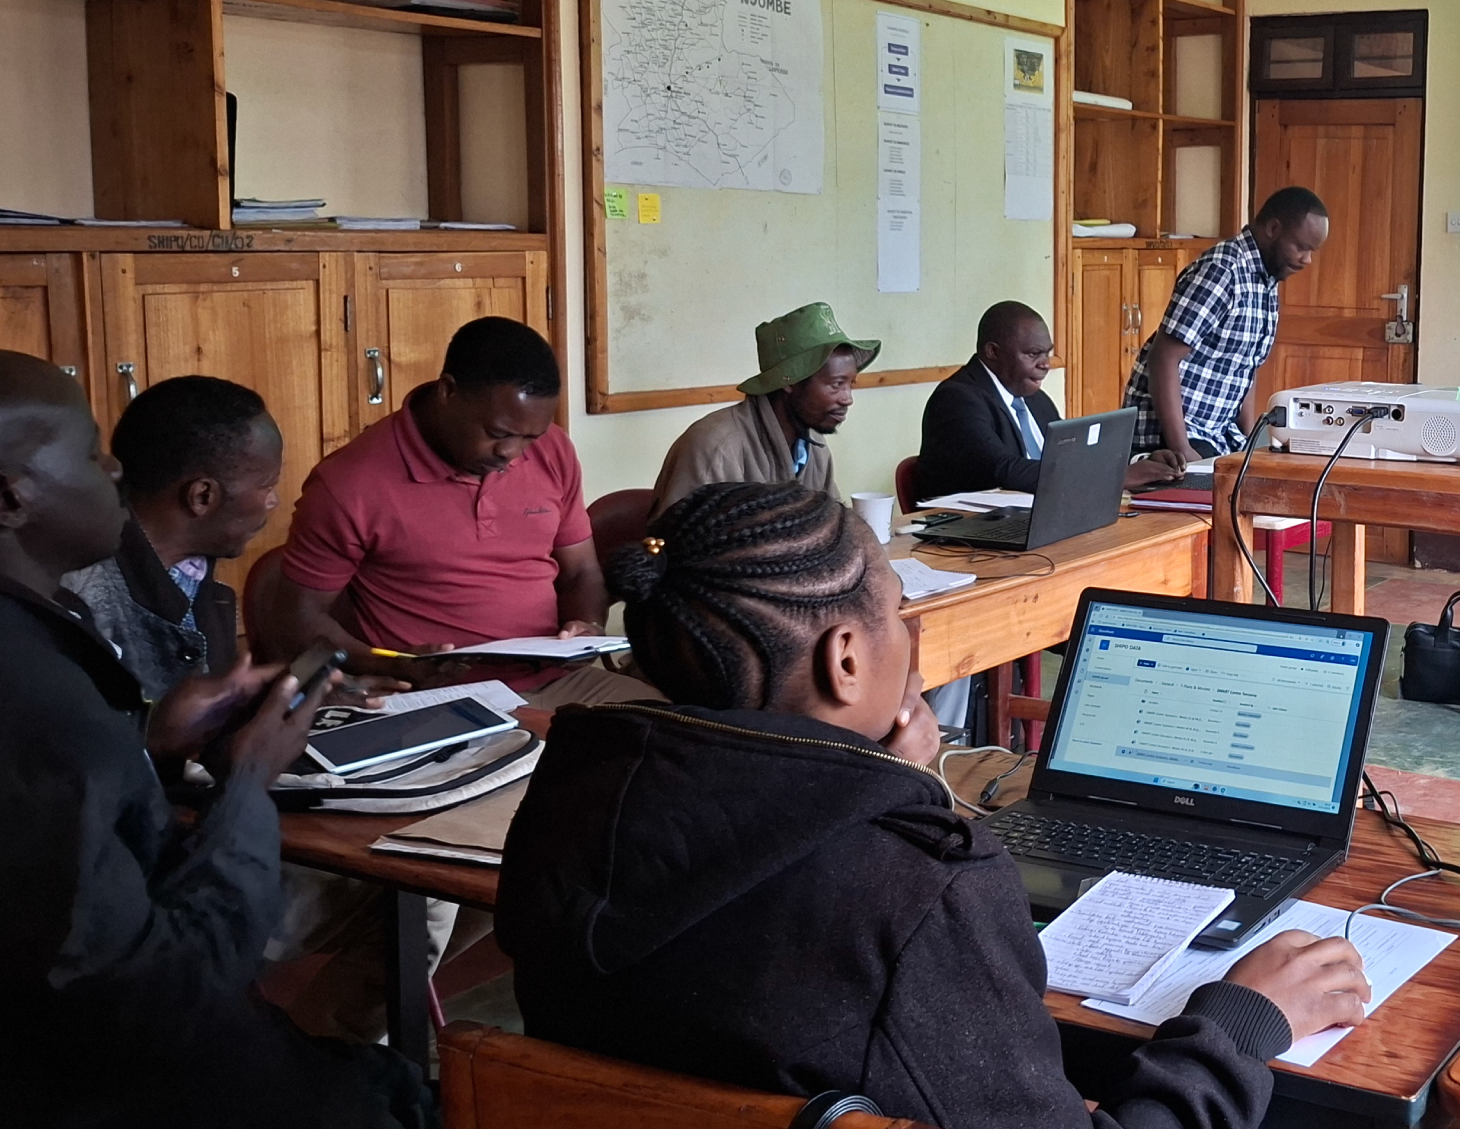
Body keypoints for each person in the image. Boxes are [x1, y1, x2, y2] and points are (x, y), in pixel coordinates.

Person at [500, 483, 1371, 1127]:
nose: (911, 635)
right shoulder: (922, 889)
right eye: (898, 610)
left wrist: (883, 782)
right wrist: (1237, 1024)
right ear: (847, 660)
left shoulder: (568, 805)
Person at [0, 348, 426, 1128]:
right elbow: (153, 1003)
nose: (115, 470)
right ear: (4, 497)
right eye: (89, 453)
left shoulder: (16, 632)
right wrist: (248, 785)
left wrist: (151, 740)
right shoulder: (20, 694)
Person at [265, 315, 609, 675]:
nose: (511, 453)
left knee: (649, 708)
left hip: (556, 677)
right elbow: (298, 620)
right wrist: (391, 666)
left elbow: (581, 571)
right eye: (498, 433)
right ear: (448, 391)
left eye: (530, 438)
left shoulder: (553, 450)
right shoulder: (349, 483)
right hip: (436, 691)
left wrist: (588, 627)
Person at [59, 375, 282, 700]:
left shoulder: (197, 577)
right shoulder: (78, 601)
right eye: (267, 486)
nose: (273, 501)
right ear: (202, 496)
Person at [1125, 186, 1330, 468]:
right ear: (1273, 229)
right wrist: (1183, 450)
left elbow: (1244, 366)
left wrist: (1249, 441)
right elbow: (1163, 357)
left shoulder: (1265, 279)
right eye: (1302, 247)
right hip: (1172, 436)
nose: (1307, 260)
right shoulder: (1222, 270)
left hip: (1216, 433)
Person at [916, 300, 1178, 502]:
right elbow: (1003, 469)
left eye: (1047, 354)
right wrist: (1114, 477)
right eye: (1033, 354)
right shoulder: (956, 400)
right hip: (972, 534)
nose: (1045, 364)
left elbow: (1073, 453)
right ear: (993, 352)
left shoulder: (1034, 398)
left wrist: (1137, 461)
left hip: (1038, 517)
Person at [652, 301, 878, 518]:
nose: (848, 399)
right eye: (837, 384)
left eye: (851, 384)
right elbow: (680, 540)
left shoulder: (816, 446)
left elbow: (832, 525)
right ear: (790, 381)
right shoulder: (716, 447)